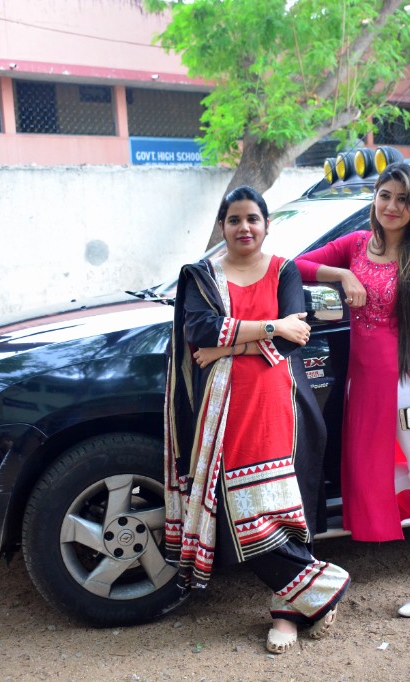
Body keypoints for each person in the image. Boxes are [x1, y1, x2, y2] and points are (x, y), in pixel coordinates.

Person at [164, 186, 349, 654]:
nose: (244, 227)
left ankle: (285, 612)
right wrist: (269, 326)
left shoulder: (284, 269)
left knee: (286, 511)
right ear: (222, 227)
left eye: (253, 218)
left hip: (282, 409)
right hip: (222, 414)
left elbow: (296, 335)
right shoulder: (202, 276)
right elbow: (198, 329)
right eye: (234, 219)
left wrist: (228, 347)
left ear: (266, 225)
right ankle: (321, 588)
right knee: (239, 512)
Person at [295, 162, 410, 618]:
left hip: (407, 383)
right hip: (363, 384)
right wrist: (343, 276)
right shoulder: (355, 246)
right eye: (384, 195)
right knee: (367, 475)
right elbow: (296, 266)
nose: (392, 206)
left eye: (402, 199)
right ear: (374, 199)